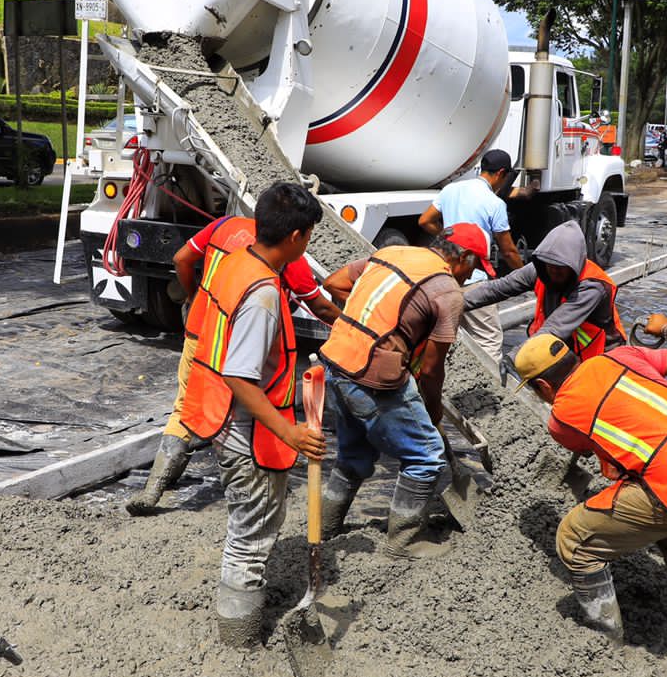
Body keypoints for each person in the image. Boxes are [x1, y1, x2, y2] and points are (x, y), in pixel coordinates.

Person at [510, 321, 667, 666]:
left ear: (543, 386)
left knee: (574, 538)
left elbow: (594, 451)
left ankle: (605, 646)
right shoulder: (623, 355)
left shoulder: (561, 418)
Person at [179, 182, 327, 647]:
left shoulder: (235, 260)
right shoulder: (262, 294)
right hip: (246, 428)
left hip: (218, 415)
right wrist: (291, 431)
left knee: (249, 524)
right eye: (310, 238)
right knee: (252, 532)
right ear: (298, 237)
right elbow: (241, 377)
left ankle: (237, 627)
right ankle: (239, 638)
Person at [127, 213, 341, 516]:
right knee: (246, 412)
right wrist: (356, 329)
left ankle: (155, 486)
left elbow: (181, 258)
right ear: (295, 234)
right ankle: (248, 485)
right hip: (240, 344)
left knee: (186, 407)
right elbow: (317, 304)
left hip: (202, 332)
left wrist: (193, 296)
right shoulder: (285, 253)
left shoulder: (224, 226)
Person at [316, 224, 490, 556]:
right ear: (464, 257)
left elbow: (333, 283)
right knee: (426, 456)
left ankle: (325, 529)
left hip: (335, 360)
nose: (471, 275)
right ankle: (403, 542)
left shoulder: (391, 253)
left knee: (353, 455)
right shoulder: (447, 291)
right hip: (373, 376)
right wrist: (433, 411)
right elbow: (430, 370)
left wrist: (365, 327)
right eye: (475, 266)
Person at [460, 220, 626, 363]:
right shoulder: (539, 269)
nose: (554, 271)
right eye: (550, 265)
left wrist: (514, 356)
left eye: (561, 267)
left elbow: (555, 327)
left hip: (598, 357)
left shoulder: (592, 286)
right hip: (563, 348)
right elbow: (498, 288)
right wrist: (455, 304)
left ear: (573, 264)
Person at [417, 148, 526, 365]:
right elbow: (509, 250)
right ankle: (492, 392)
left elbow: (425, 221)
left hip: (444, 277)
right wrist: (525, 275)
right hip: (474, 280)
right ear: (501, 174)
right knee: (488, 340)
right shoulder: (495, 203)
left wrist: (450, 240)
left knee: (446, 337)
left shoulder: (451, 189)